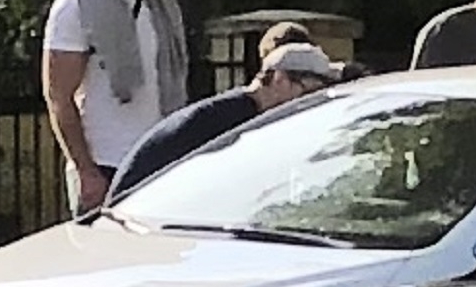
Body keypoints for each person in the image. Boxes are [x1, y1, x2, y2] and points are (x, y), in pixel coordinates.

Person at [43, 0, 189, 216]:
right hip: (106, 164)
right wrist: (85, 171)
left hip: (159, 159)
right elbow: (58, 96)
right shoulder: (76, 3)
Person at [105, 42, 343, 202]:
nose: (312, 104)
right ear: (280, 80)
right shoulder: (235, 124)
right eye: (309, 93)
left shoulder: (239, 111)